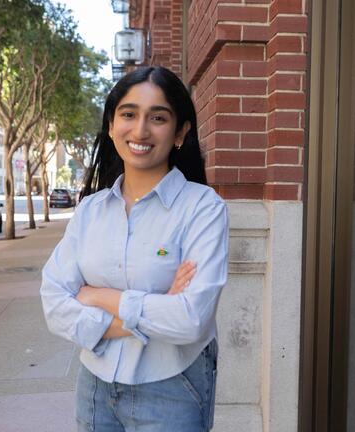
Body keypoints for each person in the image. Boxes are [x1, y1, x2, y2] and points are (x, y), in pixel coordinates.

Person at [40, 66, 229, 431]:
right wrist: (148, 315)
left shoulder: (202, 208)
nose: (140, 130)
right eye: (128, 114)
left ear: (180, 133)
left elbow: (190, 321)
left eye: (158, 117)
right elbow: (54, 304)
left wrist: (100, 296)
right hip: (94, 386)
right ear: (111, 126)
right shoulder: (90, 211)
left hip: (173, 388)